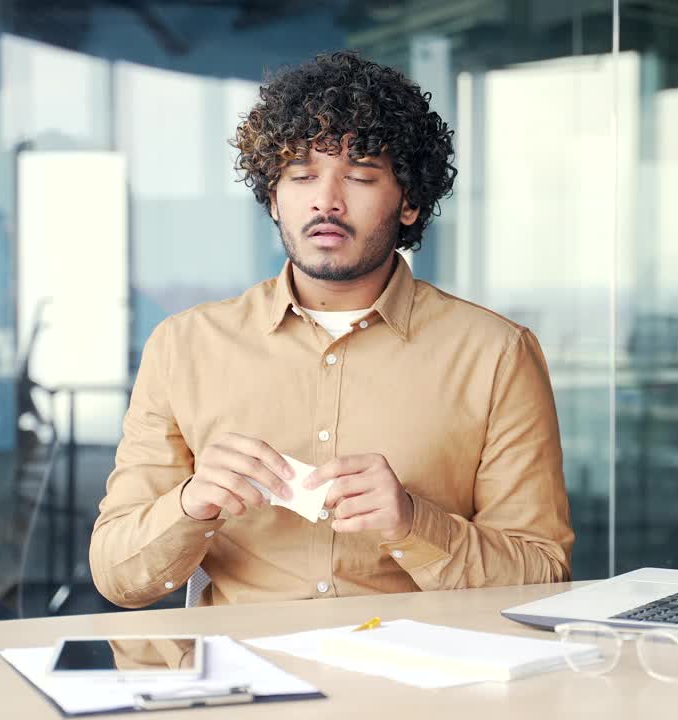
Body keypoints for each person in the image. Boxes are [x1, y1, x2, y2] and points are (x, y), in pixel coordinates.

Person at [90, 51, 573, 608]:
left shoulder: (496, 355)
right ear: (274, 197)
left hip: (424, 681)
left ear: (411, 202)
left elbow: (544, 577)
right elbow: (118, 577)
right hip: (241, 677)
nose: (326, 200)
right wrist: (190, 504)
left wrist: (412, 524)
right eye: (301, 177)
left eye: (361, 176)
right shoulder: (184, 347)